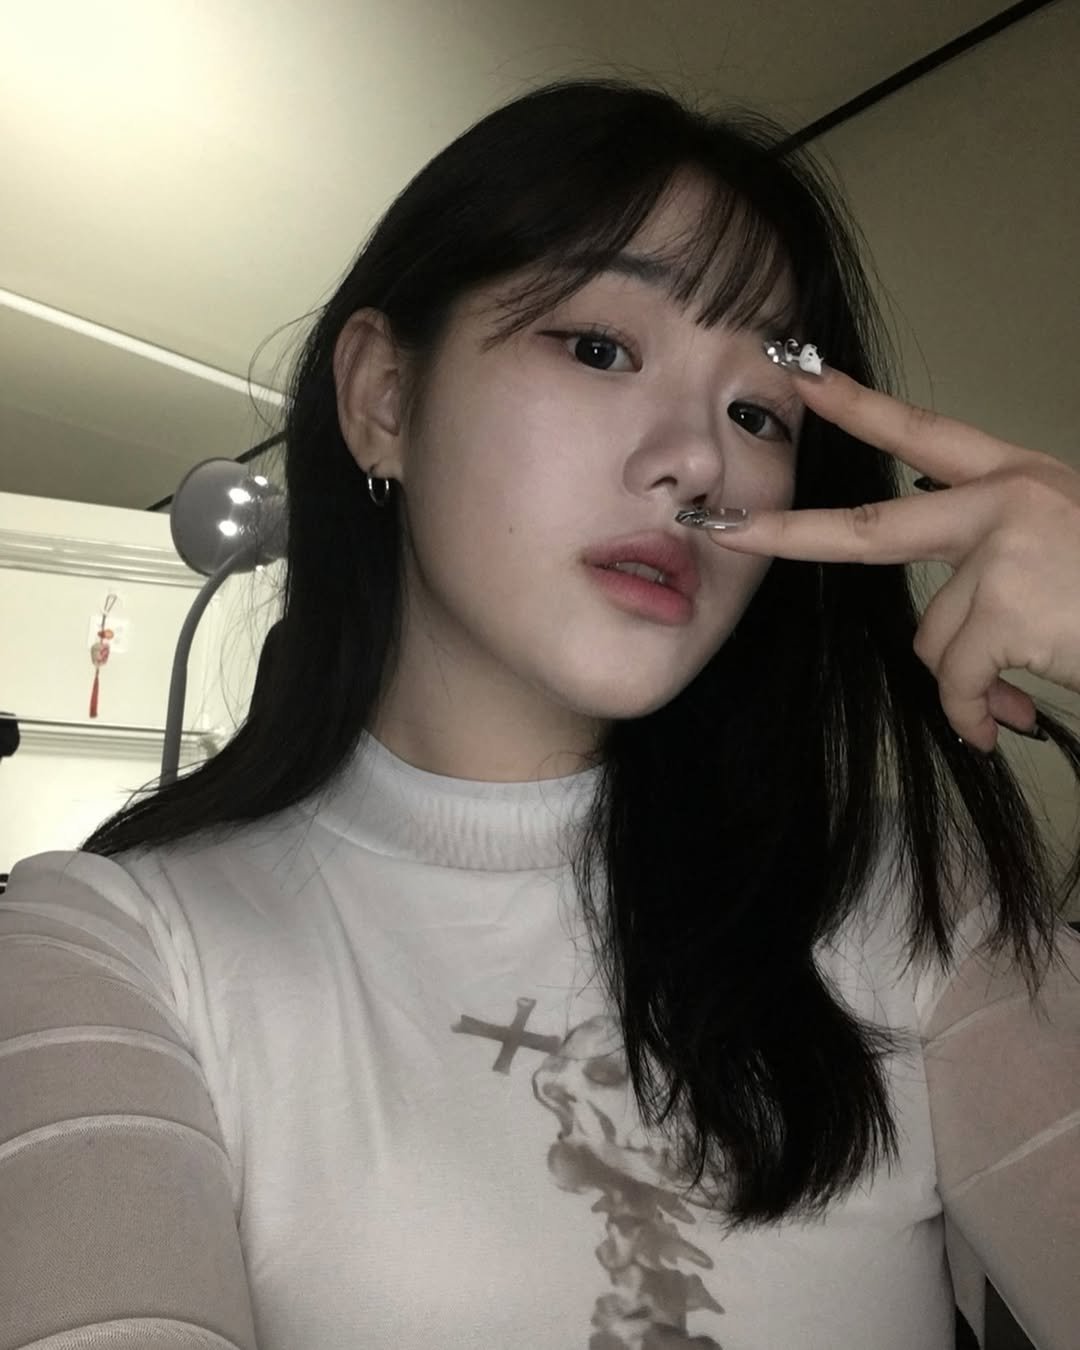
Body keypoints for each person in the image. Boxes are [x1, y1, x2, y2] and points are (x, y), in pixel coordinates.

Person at [1, 76, 1077, 1350]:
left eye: (759, 413)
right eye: (602, 349)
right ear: (384, 398)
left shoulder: (903, 902)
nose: (699, 459)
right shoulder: (117, 949)